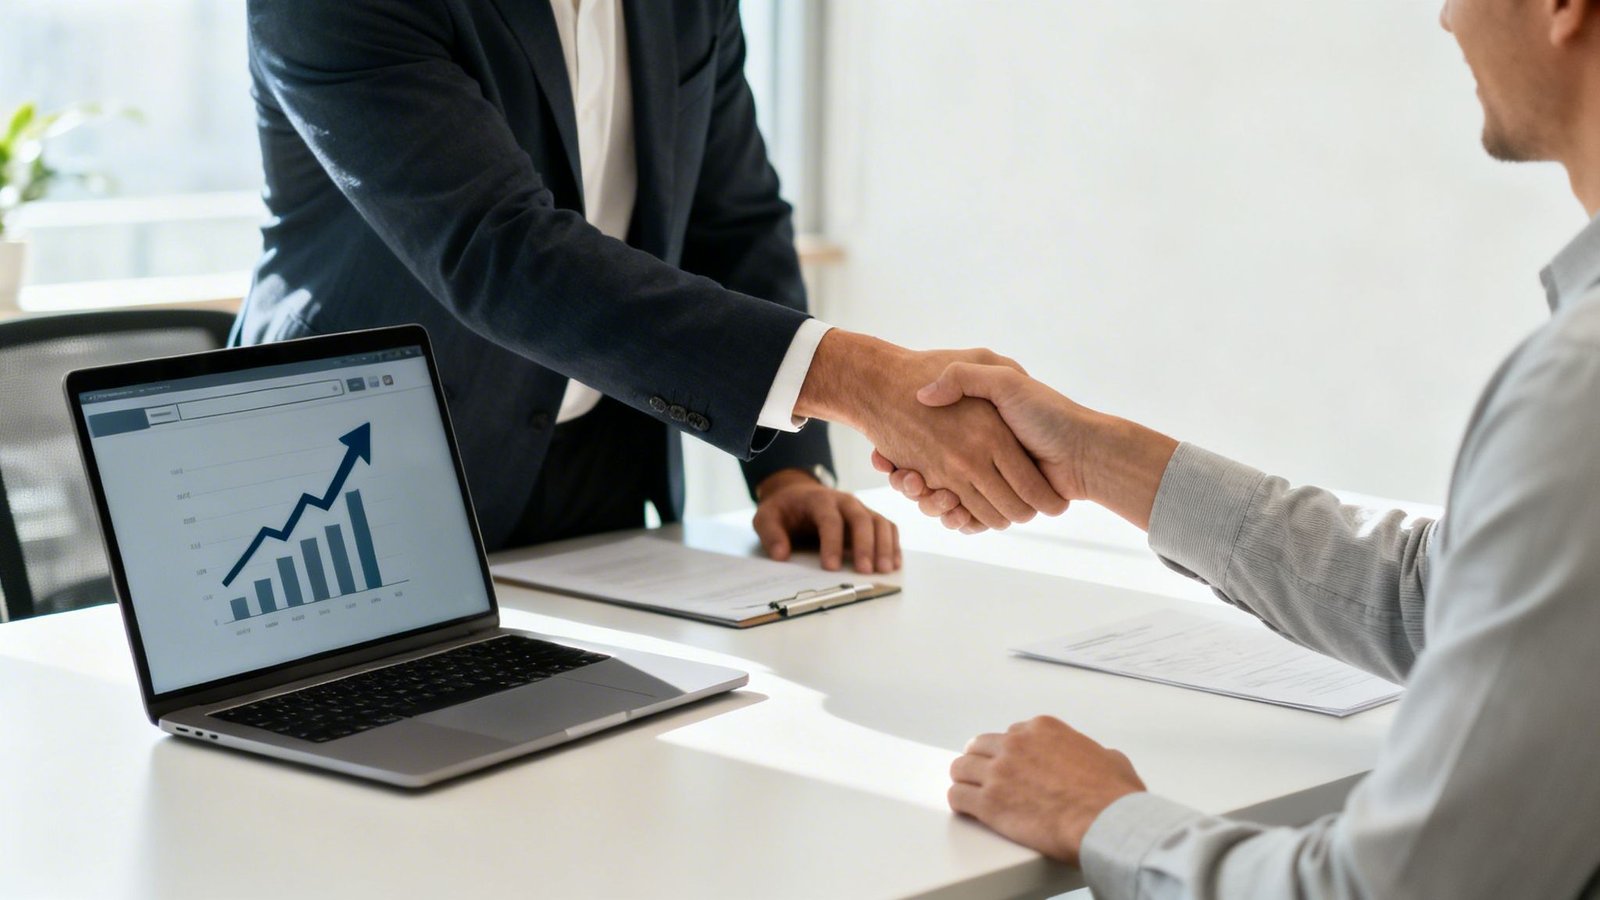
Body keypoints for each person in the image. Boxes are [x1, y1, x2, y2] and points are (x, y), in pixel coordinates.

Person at [876, 0, 1600, 895]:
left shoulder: (1579, 388)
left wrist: (1101, 816)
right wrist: (1095, 456)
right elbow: (1435, 597)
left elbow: (1389, 889)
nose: (1448, 17)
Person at [236, 0, 1065, 570]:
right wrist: (861, 380)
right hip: (346, 484)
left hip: (592, 477)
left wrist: (789, 471)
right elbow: (502, 251)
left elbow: (732, 220)